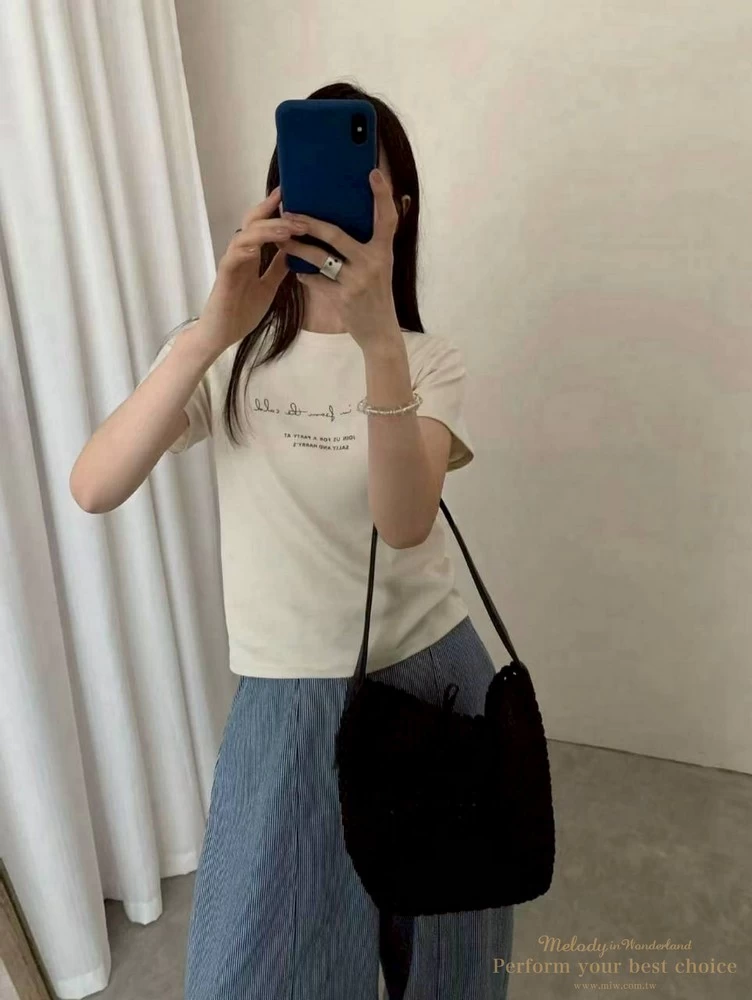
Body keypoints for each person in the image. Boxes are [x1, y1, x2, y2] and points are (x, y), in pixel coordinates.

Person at [70, 81, 514, 1000]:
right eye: (309, 187)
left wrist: (380, 344)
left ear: (398, 212)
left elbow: (404, 523)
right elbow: (94, 486)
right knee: (253, 973)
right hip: (284, 699)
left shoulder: (429, 361)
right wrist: (210, 331)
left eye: (362, 190)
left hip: (431, 681)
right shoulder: (225, 354)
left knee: (445, 969)